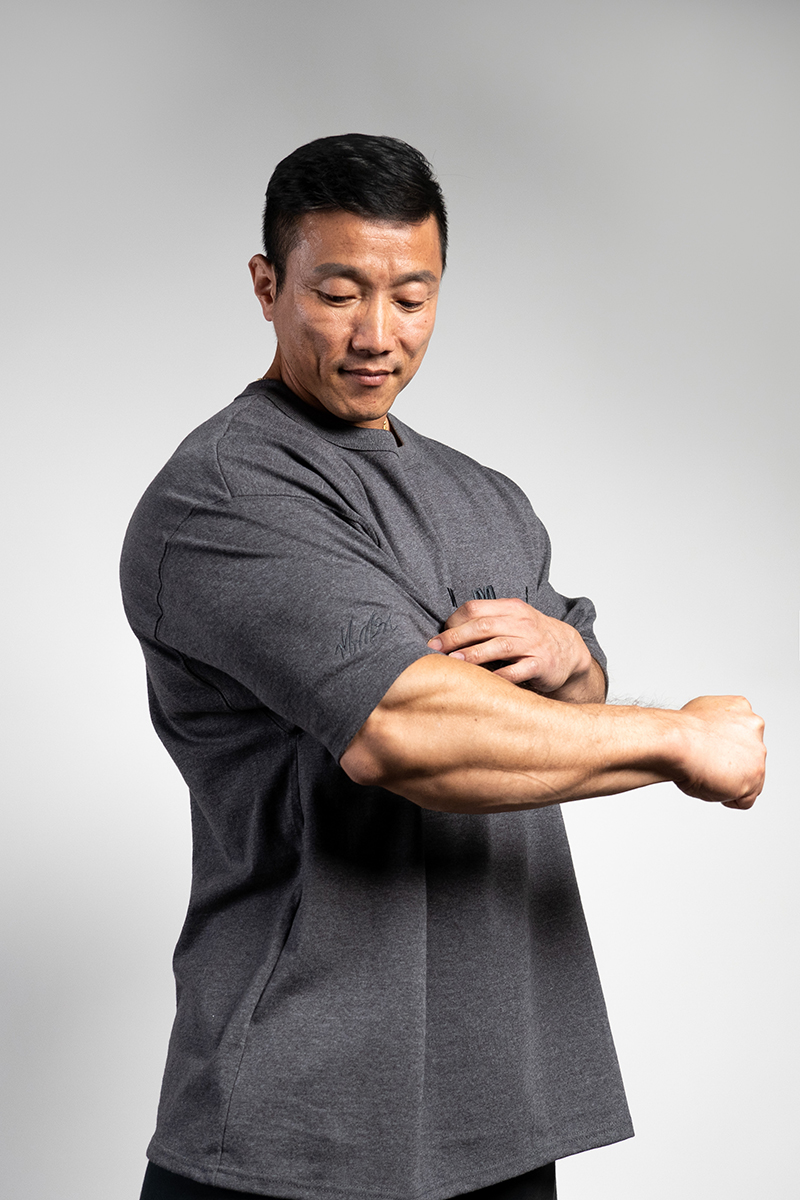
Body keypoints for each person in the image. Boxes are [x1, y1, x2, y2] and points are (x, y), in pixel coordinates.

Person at [121, 134, 765, 1200]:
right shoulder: (227, 495)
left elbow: (566, 706)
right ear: (268, 286)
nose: (377, 334)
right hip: (300, 1128)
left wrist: (570, 658)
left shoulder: (485, 495)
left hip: (497, 1115)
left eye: (411, 297)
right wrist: (677, 738)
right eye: (337, 294)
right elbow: (404, 734)